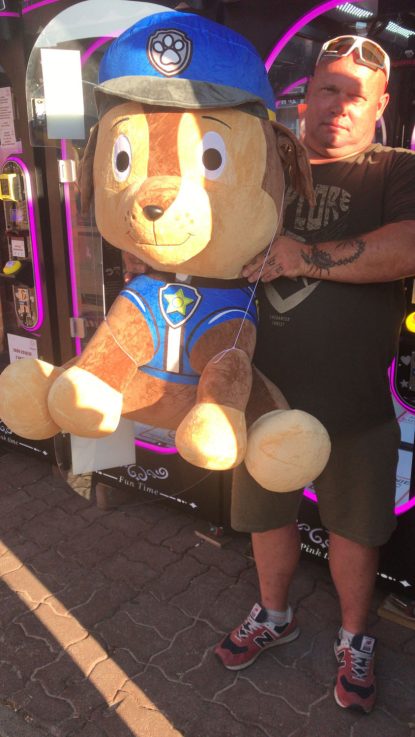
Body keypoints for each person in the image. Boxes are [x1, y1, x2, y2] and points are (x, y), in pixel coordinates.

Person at [213, 35, 415, 714]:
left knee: (355, 527)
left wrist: (303, 256)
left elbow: (407, 246)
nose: (339, 105)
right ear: (305, 96)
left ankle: (355, 636)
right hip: (262, 391)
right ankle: (274, 615)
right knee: (265, 512)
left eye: (357, 95)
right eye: (328, 88)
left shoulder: (395, 169)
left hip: (353, 399)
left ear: (380, 106)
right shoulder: (263, 162)